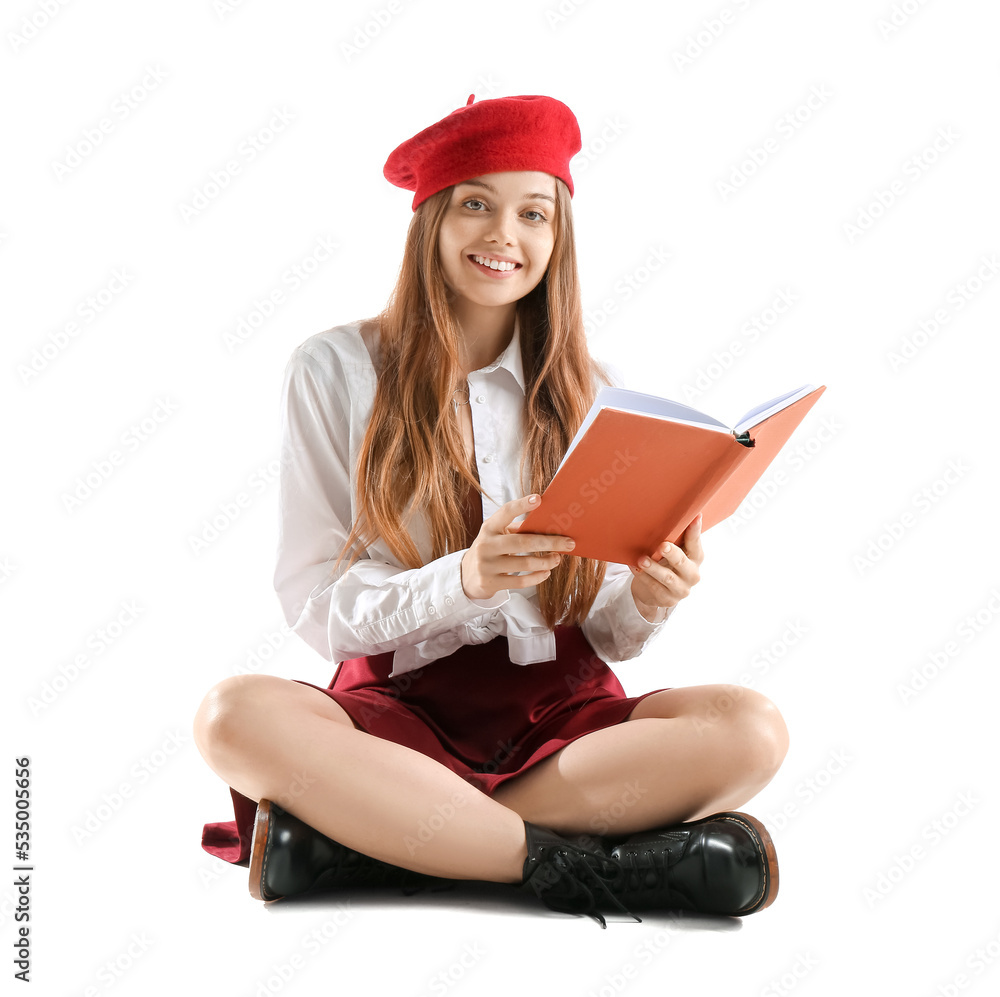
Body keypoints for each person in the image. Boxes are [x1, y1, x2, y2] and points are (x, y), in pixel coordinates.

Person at [194, 93, 788, 928]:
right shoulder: (334, 368)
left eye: (533, 213)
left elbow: (605, 630)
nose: (504, 236)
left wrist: (648, 598)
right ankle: (563, 863)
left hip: (565, 726)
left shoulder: (597, 389)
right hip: (390, 722)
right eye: (476, 203)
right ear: (431, 220)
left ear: (559, 235)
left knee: (751, 729)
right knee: (234, 715)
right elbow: (317, 607)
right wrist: (462, 580)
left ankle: (385, 842)